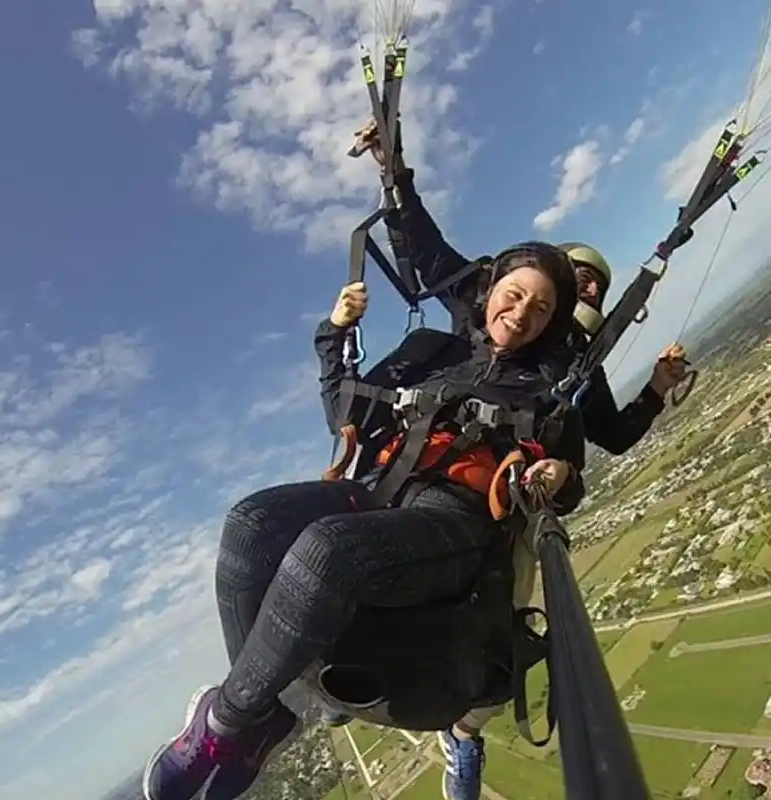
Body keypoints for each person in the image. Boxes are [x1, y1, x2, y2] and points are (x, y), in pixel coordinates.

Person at [140, 242, 587, 800]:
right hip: (377, 490)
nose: (520, 314)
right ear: (491, 290)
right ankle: (261, 717)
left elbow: (570, 486)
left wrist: (559, 474)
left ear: (550, 325)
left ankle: (227, 726)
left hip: (456, 518)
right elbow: (346, 412)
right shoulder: (433, 349)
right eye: (515, 295)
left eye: (540, 309)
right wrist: (333, 334)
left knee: (327, 552)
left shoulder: (551, 393)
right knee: (250, 526)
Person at [354, 120, 688, 457]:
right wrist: (395, 170)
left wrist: (657, 388)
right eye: (580, 276)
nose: (588, 285)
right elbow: (428, 252)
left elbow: (614, 435)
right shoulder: (481, 301)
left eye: (595, 286)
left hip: (486, 479)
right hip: (411, 448)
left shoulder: (576, 361)